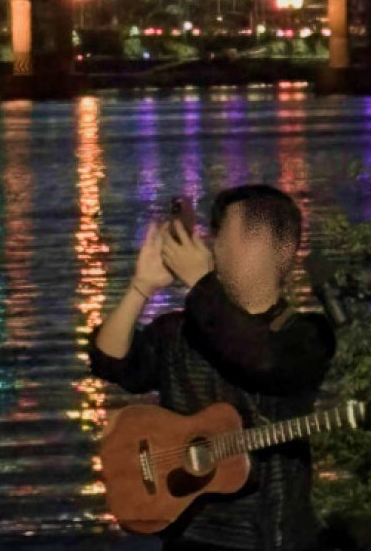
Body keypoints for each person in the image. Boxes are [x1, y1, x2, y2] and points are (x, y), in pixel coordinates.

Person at [90, 185, 338, 551]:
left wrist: (201, 285)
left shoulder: (306, 336)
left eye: (239, 240)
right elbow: (110, 361)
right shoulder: (180, 332)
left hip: (273, 538)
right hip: (190, 535)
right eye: (219, 236)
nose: (219, 249)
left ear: (282, 252)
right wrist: (140, 288)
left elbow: (259, 360)